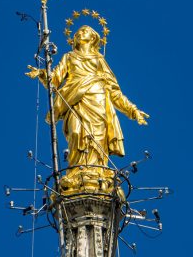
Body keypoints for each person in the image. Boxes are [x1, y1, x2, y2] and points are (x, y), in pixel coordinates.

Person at [26, 25, 148, 191]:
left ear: (93, 38)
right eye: (78, 32)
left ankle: (97, 172)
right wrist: (41, 73)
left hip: (98, 102)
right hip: (74, 101)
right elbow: (54, 79)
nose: (80, 33)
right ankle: (77, 170)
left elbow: (114, 91)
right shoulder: (69, 57)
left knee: (97, 140)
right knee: (76, 133)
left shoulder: (99, 60)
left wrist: (133, 110)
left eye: (85, 31)